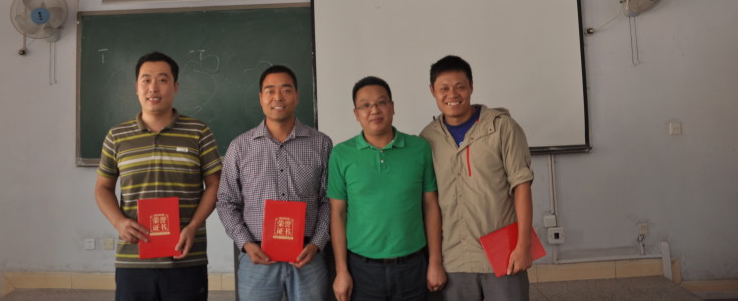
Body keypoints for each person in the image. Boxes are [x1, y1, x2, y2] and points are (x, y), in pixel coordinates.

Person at [95, 51, 223, 300]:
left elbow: (215, 184)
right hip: (133, 259)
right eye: (146, 80)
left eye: (163, 80)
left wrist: (193, 227)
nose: (153, 88)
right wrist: (118, 222)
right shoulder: (117, 136)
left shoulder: (198, 131)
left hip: (186, 255)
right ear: (136, 87)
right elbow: (103, 188)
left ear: (175, 86)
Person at [420, 55, 534, 301]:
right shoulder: (428, 138)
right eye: (444, 88)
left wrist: (523, 246)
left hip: (503, 254)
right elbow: (431, 203)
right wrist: (434, 261)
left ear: (471, 86)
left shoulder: (502, 127)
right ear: (432, 91)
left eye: (460, 86)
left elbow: (522, 187)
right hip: (454, 258)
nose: (452, 94)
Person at [216, 65, 333, 301]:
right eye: (270, 91)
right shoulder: (240, 147)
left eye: (286, 90)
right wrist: (246, 244)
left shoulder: (321, 144)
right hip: (257, 257)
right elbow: (226, 201)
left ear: (297, 96)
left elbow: (329, 200)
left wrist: (317, 244)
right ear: (261, 98)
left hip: (307, 256)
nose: (278, 97)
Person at [328, 76, 447, 301]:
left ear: (392, 107)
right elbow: (338, 214)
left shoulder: (419, 148)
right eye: (365, 105)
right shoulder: (341, 154)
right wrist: (341, 271)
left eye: (381, 102)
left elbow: (431, 206)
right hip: (362, 270)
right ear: (356, 113)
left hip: (413, 267)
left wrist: (435, 262)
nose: (374, 110)